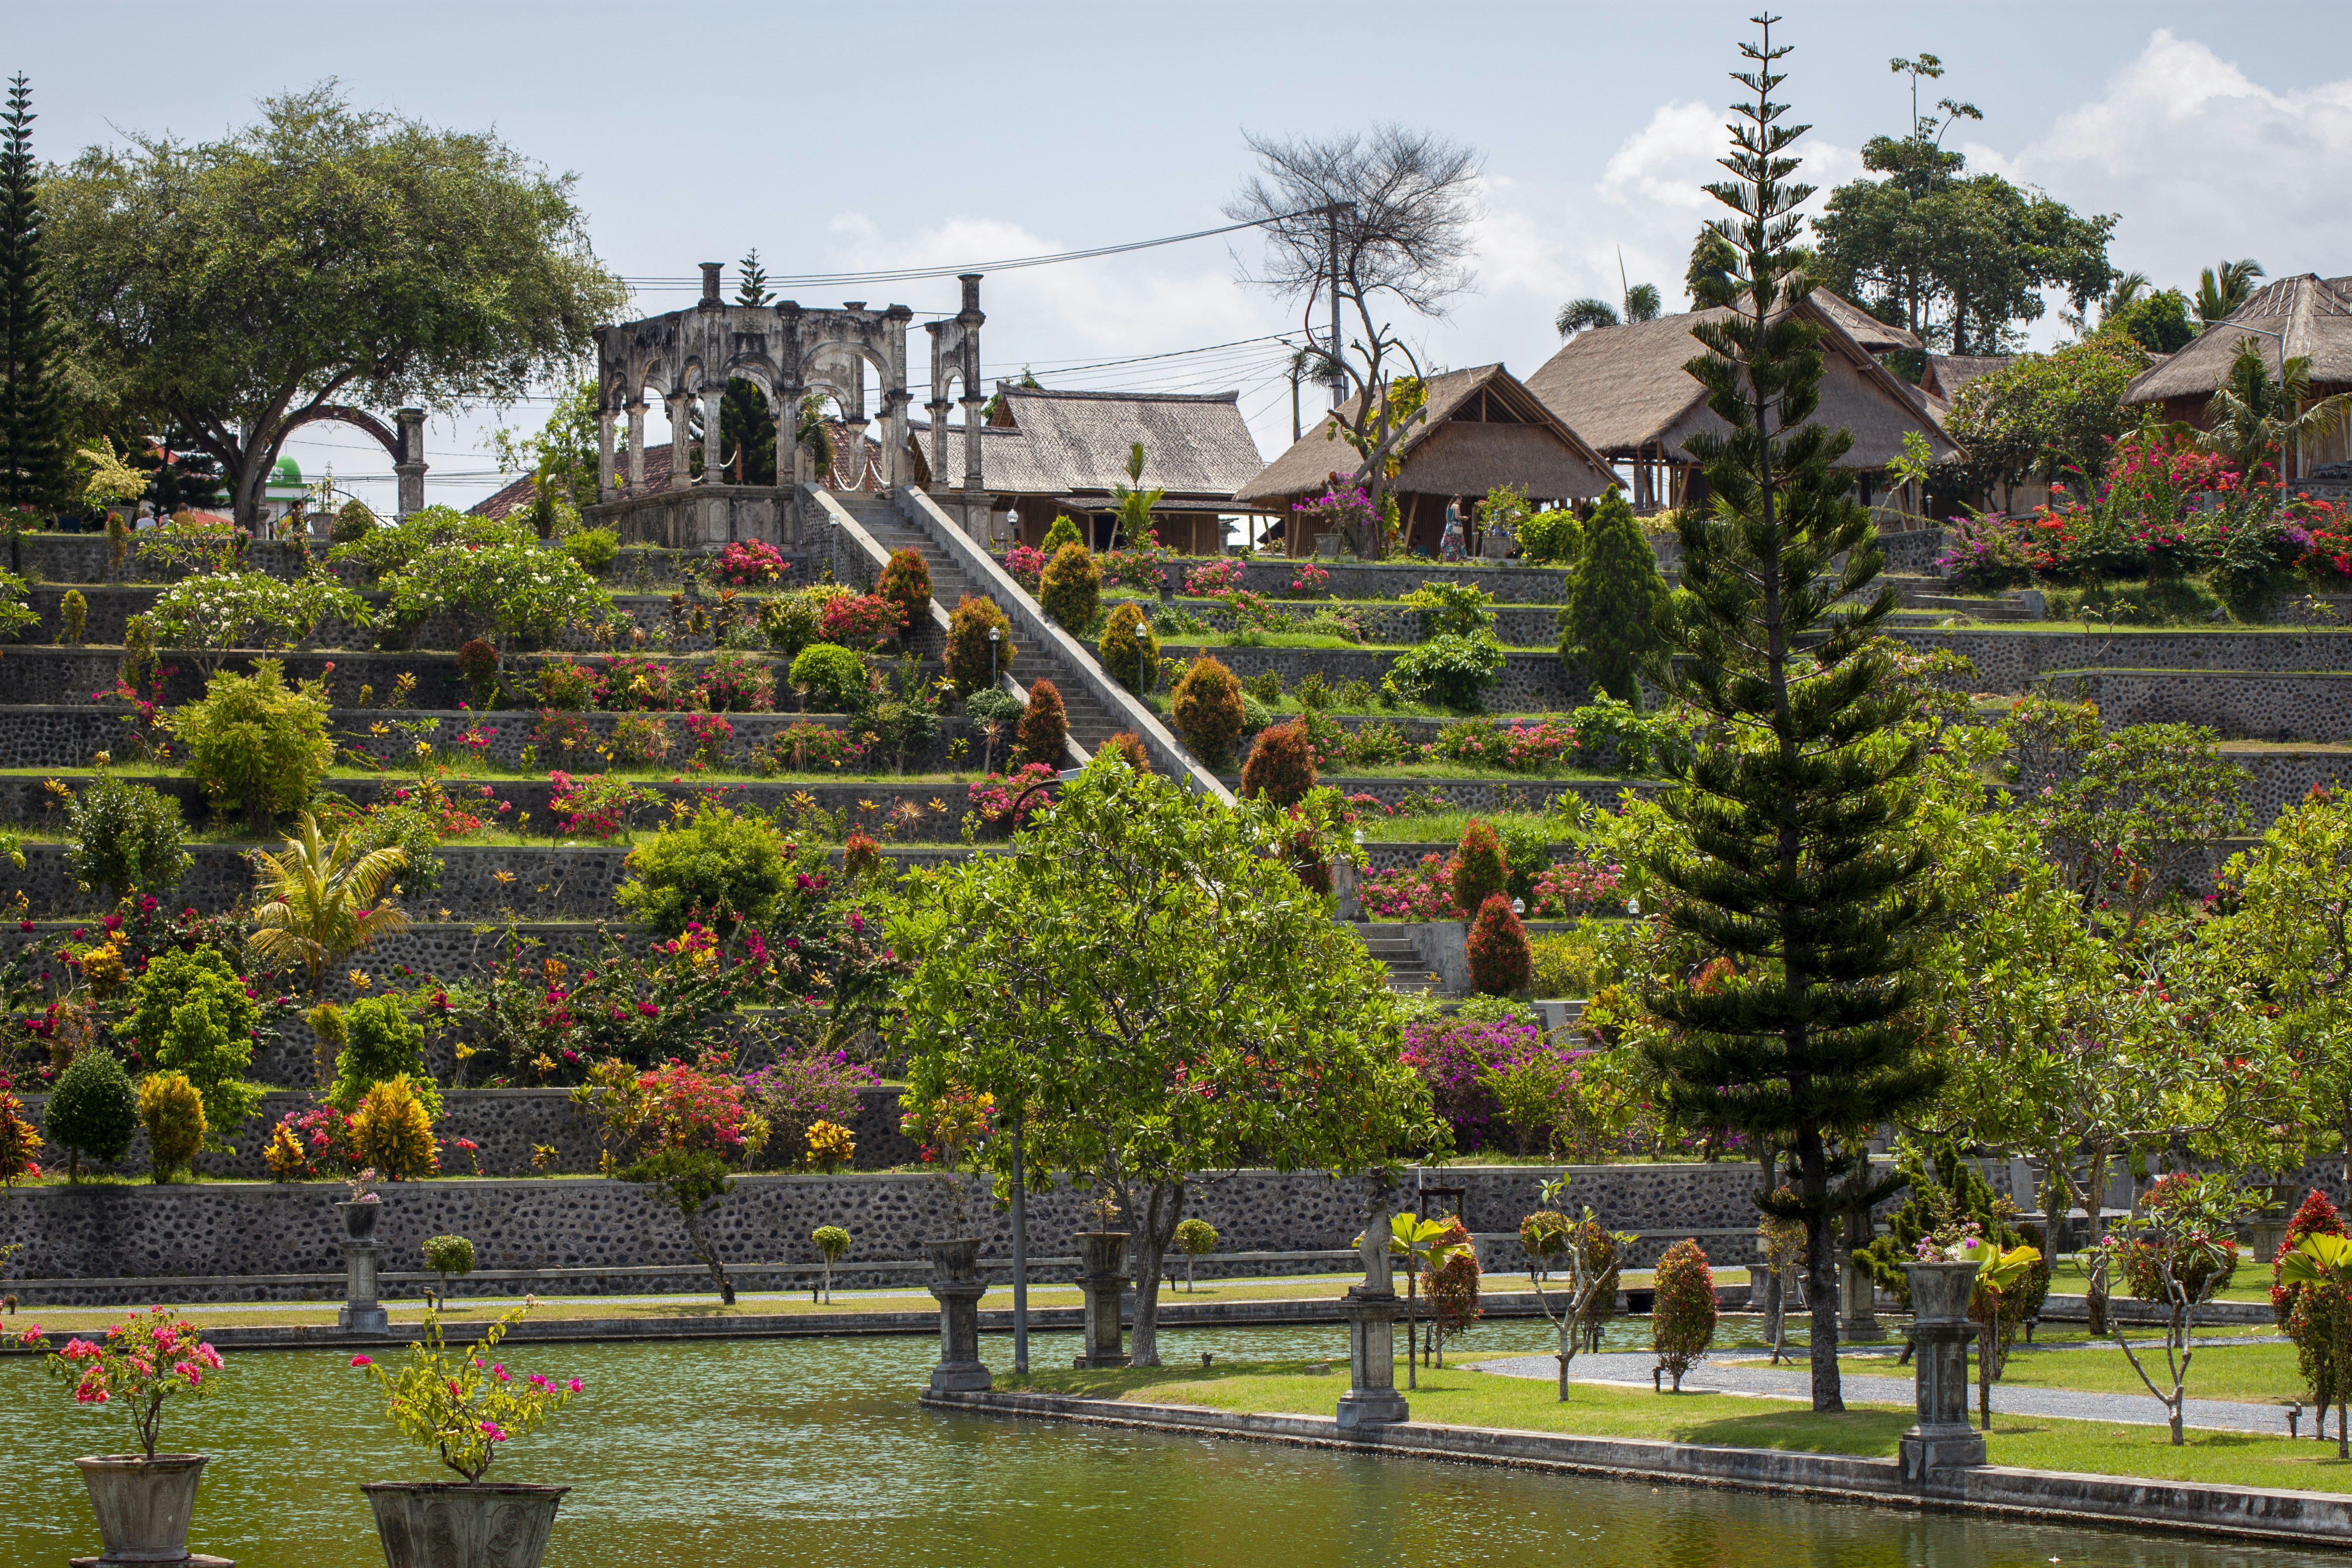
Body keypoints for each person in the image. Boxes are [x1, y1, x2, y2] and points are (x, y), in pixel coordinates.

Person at [1439, 496, 1466, 563]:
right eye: (1461, 500)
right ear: (1458, 499)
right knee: (1460, 543)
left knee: (1449, 543)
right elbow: (1457, 517)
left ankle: (1448, 559)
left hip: (1449, 527)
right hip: (1455, 526)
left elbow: (1447, 519)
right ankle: (1461, 559)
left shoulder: (1449, 507)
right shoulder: (1457, 506)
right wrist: (1464, 518)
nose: (1461, 501)